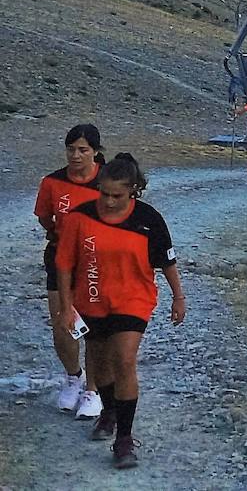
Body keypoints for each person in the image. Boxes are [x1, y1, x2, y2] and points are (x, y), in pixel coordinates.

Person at [54, 153, 185, 469]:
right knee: (100, 364)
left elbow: (166, 261)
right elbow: (64, 264)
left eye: (118, 196)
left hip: (133, 299)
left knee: (124, 360)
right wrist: (66, 306)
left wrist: (178, 297)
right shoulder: (80, 217)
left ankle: (124, 439)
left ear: (133, 191)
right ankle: (109, 411)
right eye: (104, 194)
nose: (110, 202)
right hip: (92, 299)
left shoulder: (148, 219)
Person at [35, 124, 106, 419]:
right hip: (61, 256)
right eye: (71, 149)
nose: (75, 155)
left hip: (99, 260)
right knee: (62, 322)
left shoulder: (108, 178)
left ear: (95, 152)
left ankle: (93, 389)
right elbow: (44, 217)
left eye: (83, 150)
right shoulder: (52, 183)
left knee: (95, 327)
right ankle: (73, 377)